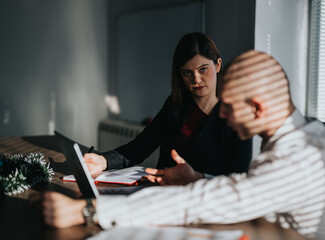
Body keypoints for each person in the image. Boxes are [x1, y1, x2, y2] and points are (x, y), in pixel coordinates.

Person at [43, 50, 325, 239]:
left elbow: (195, 203)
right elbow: (254, 188)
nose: (221, 113)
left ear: (259, 107)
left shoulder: (297, 160)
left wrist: (88, 209)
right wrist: (195, 179)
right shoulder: (312, 133)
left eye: (230, 106)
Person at [84, 32, 252, 185]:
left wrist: (198, 178)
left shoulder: (237, 116)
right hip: (163, 192)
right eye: (187, 72)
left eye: (203, 70)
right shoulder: (175, 104)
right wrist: (104, 161)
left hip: (204, 204)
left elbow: (238, 180)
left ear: (217, 65)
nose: (196, 79)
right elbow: (140, 147)